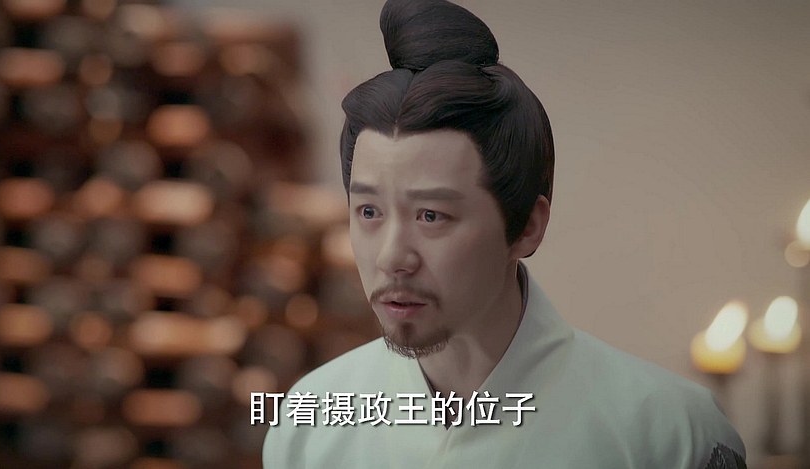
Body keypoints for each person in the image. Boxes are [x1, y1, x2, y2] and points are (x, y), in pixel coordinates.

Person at [263, 0, 746, 467]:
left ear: (528, 226)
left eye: (431, 215)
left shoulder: (668, 433)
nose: (392, 257)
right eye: (369, 211)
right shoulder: (311, 424)